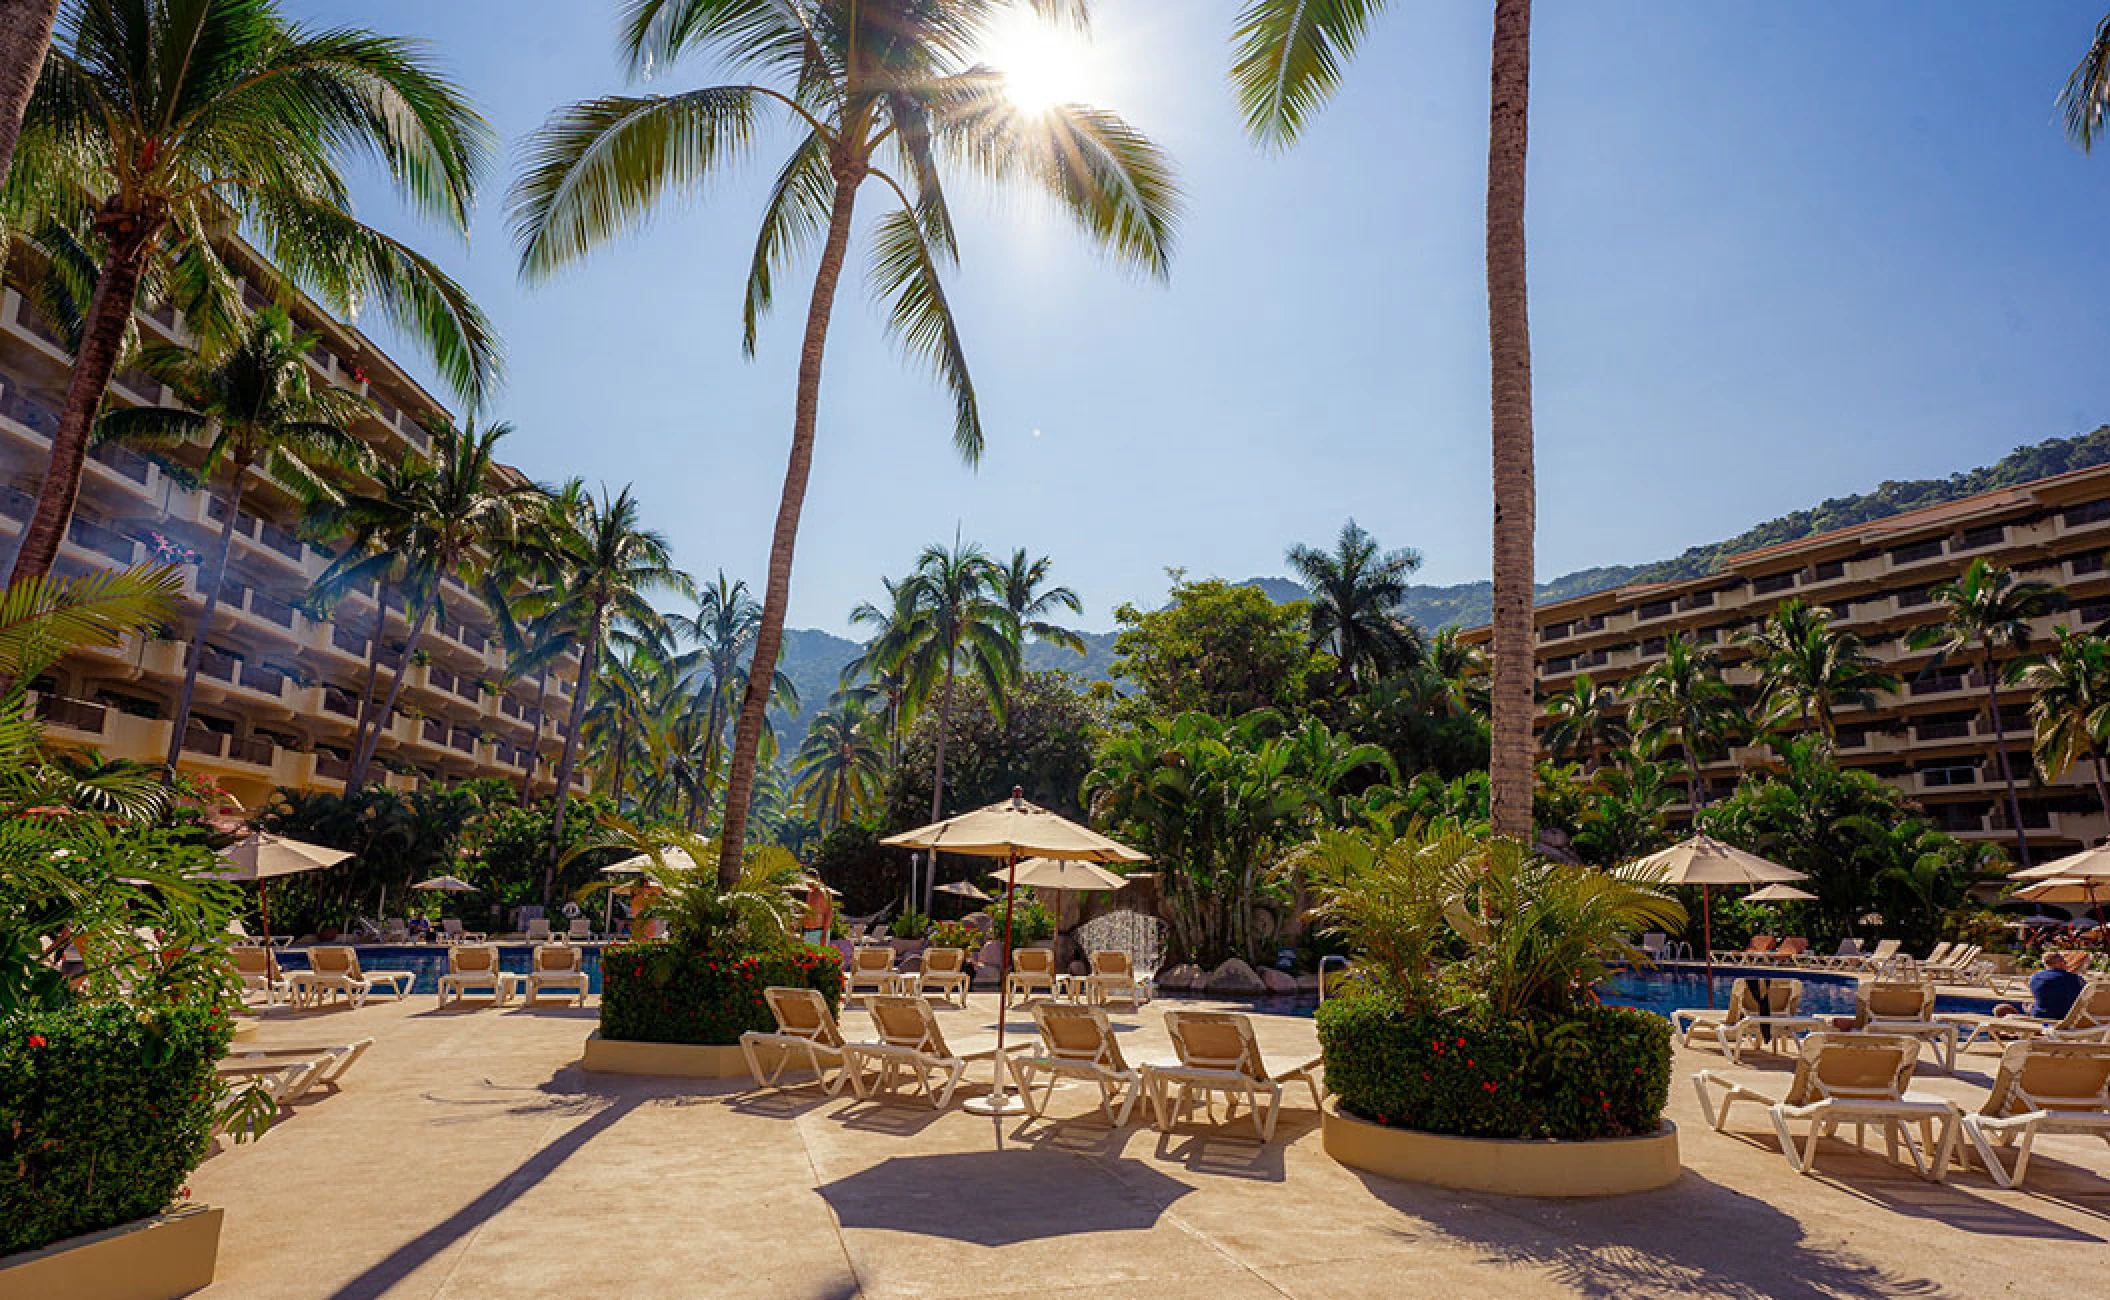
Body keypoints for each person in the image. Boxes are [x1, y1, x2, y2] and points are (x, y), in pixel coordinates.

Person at [1993, 950, 2087, 1021]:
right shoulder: (2074, 979)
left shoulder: (2034, 978)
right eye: (2065, 962)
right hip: (2064, 1019)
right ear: (2061, 963)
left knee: (2004, 1008)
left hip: (2039, 1018)